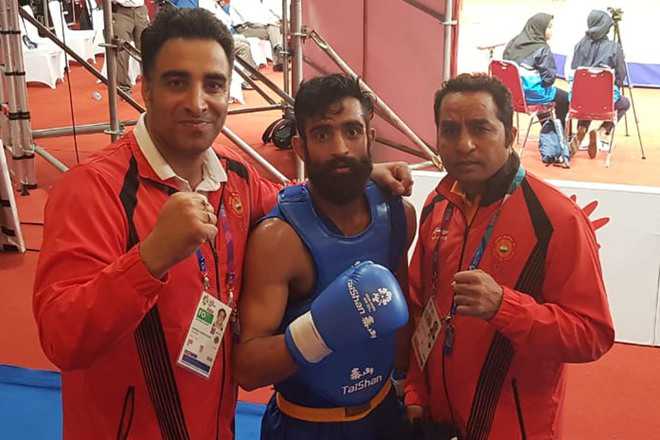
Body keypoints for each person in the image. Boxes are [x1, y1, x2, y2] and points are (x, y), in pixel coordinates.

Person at [33, 9, 411, 439]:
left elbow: (302, 201)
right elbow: (62, 338)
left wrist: (360, 174)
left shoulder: (238, 181)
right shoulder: (92, 190)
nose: (197, 103)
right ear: (147, 88)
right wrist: (150, 258)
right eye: (178, 82)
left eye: (213, 84)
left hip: (215, 426)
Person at [403, 73, 615, 439]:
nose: (464, 144)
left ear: (510, 135)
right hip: (437, 421)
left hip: (513, 428)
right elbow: (422, 306)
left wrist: (505, 307)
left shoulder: (556, 220)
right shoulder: (437, 206)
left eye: (481, 128)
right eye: (450, 130)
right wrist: (416, 389)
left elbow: (592, 335)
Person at [234, 74, 417, 439]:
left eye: (352, 131)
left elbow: (401, 325)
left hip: (385, 417)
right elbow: (248, 368)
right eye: (322, 135)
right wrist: (318, 332)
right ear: (300, 148)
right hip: (306, 427)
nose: (341, 149)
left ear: (370, 137)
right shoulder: (279, 240)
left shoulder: (399, 216)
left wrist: (411, 390)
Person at [569, 9, 630, 159]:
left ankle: (581, 129)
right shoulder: (614, 47)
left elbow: (574, 68)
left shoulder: (579, 45)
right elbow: (621, 75)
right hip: (604, 100)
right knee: (624, 103)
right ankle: (601, 132)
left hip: (580, 99)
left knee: (588, 100)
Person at [503, 13, 569, 129]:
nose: (551, 31)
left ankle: (549, 127)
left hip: (510, 94)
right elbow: (549, 79)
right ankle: (559, 135)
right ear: (539, 28)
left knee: (541, 92)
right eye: (549, 27)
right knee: (565, 98)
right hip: (531, 95)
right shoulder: (542, 49)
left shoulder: (513, 42)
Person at [226, 0, 284, 71]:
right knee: (274, 30)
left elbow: (265, 13)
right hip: (244, 28)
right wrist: (268, 23)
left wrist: (273, 21)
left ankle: (278, 50)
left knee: (274, 29)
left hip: (257, 26)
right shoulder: (238, 1)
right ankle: (279, 57)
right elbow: (249, 19)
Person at [110, 0, 150, 94]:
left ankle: (151, 84)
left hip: (140, 10)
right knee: (121, 49)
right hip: (121, 11)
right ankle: (124, 88)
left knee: (146, 49)